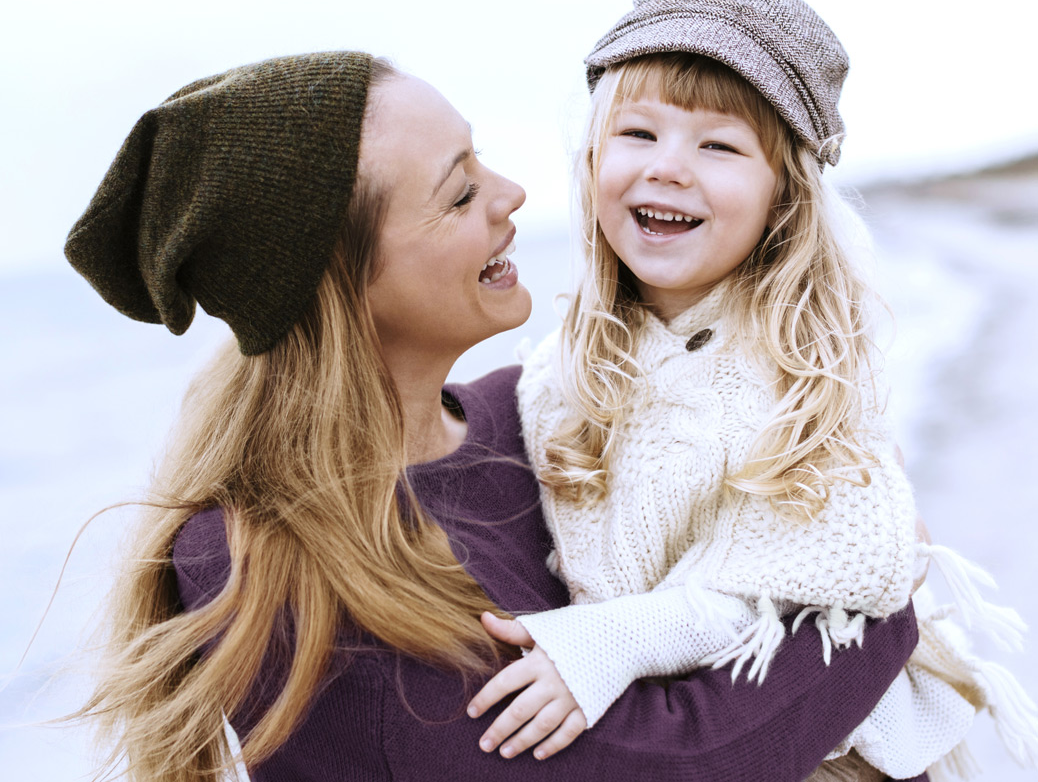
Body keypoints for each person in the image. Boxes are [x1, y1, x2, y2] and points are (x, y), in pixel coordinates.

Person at [65, 49, 922, 782]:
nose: (511, 194)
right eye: (460, 192)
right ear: (341, 281)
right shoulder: (266, 562)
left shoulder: (531, 414)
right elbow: (654, 766)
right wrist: (883, 608)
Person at [467, 0, 1038, 780]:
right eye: (639, 132)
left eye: (719, 146)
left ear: (783, 197)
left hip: (834, 749)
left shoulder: (810, 367)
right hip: (659, 734)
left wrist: (606, 641)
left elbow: (820, 577)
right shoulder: (564, 365)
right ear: (592, 158)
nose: (669, 168)